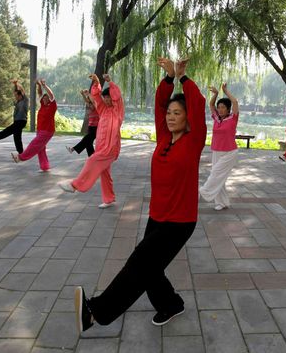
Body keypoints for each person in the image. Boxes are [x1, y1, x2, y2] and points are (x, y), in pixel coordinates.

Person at [73, 57, 206, 333]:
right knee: (150, 268)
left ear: (188, 117)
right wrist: (168, 80)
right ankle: (171, 304)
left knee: (139, 262)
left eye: (177, 113)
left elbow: (198, 104)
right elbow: (159, 103)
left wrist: (183, 78)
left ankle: (96, 313)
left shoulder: (194, 142)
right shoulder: (163, 137)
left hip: (180, 222)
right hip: (157, 215)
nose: (170, 117)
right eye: (169, 113)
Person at [60, 74, 124, 208]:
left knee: (91, 160)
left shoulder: (117, 112)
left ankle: (75, 185)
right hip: (101, 147)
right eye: (105, 98)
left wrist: (110, 82)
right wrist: (96, 82)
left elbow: (118, 98)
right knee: (105, 173)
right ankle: (109, 199)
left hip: (110, 149)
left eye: (109, 98)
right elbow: (96, 97)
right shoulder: (103, 110)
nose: (106, 100)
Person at [200, 83, 239, 211]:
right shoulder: (216, 118)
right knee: (219, 178)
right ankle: (222, 203)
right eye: (219, 107)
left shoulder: (233, 118)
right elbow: (211, 105)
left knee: (216, 173)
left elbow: (235, 102)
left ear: (228, 109)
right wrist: (215, 95)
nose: (220, 109)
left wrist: (225, 91)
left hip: (230, 152)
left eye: (223, 107)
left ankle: (203, 192)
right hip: (216, 151)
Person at [11, 79, 57, 171]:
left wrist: (44, 85)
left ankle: (20, 157)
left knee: (34, 144)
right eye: (43, 98)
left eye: (46, 98)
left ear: (49, 99)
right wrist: (39, 86)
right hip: (40, 130)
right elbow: (40, 94)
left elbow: (51, 94)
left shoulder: (52, 106)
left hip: (47, 131)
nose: (44, 99)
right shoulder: (43, 105)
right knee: (41, 149)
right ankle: (45, 166)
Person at [0, 79, 29, 153]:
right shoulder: (18, 102)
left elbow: (22, 90)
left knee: (7, 132)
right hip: (17, 121)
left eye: (16, 95)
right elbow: (17, 90)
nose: (15, 97)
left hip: (21, 121)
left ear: (20, 95)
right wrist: (15, 85)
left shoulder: (25, 100)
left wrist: (17, 83)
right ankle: (21, 153)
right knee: (16, 137)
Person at [66, 89, 99, 157]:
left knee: (86, 139)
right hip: (90, 126)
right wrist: (83, 95)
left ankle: (73, 149)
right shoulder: (90, 106)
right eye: (89, 104)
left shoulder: (96, 106)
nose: (90, 105)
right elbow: (87, 101)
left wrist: (88, 94)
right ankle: (92, 157)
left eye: (91, 103)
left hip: (96, 127)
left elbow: (93, 101)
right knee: (88, 142)